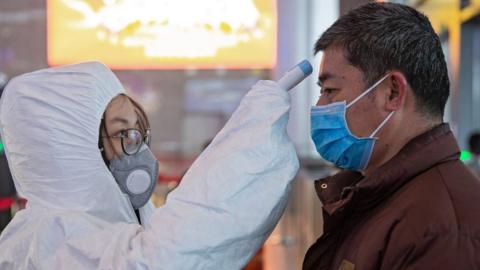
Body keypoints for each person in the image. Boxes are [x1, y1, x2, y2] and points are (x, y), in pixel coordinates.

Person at [0, 61, 299, 269]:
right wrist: (253, 130)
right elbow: (169, 259)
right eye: (121, 133)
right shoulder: (47, 240)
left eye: (138, 132)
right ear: (68, 152)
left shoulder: (112, 221)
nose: (138, 149)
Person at [304, 3, 480, 269]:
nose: (319, 106)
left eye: (330, 90)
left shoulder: (442, 233)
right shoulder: (379, 195)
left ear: (392, 92)